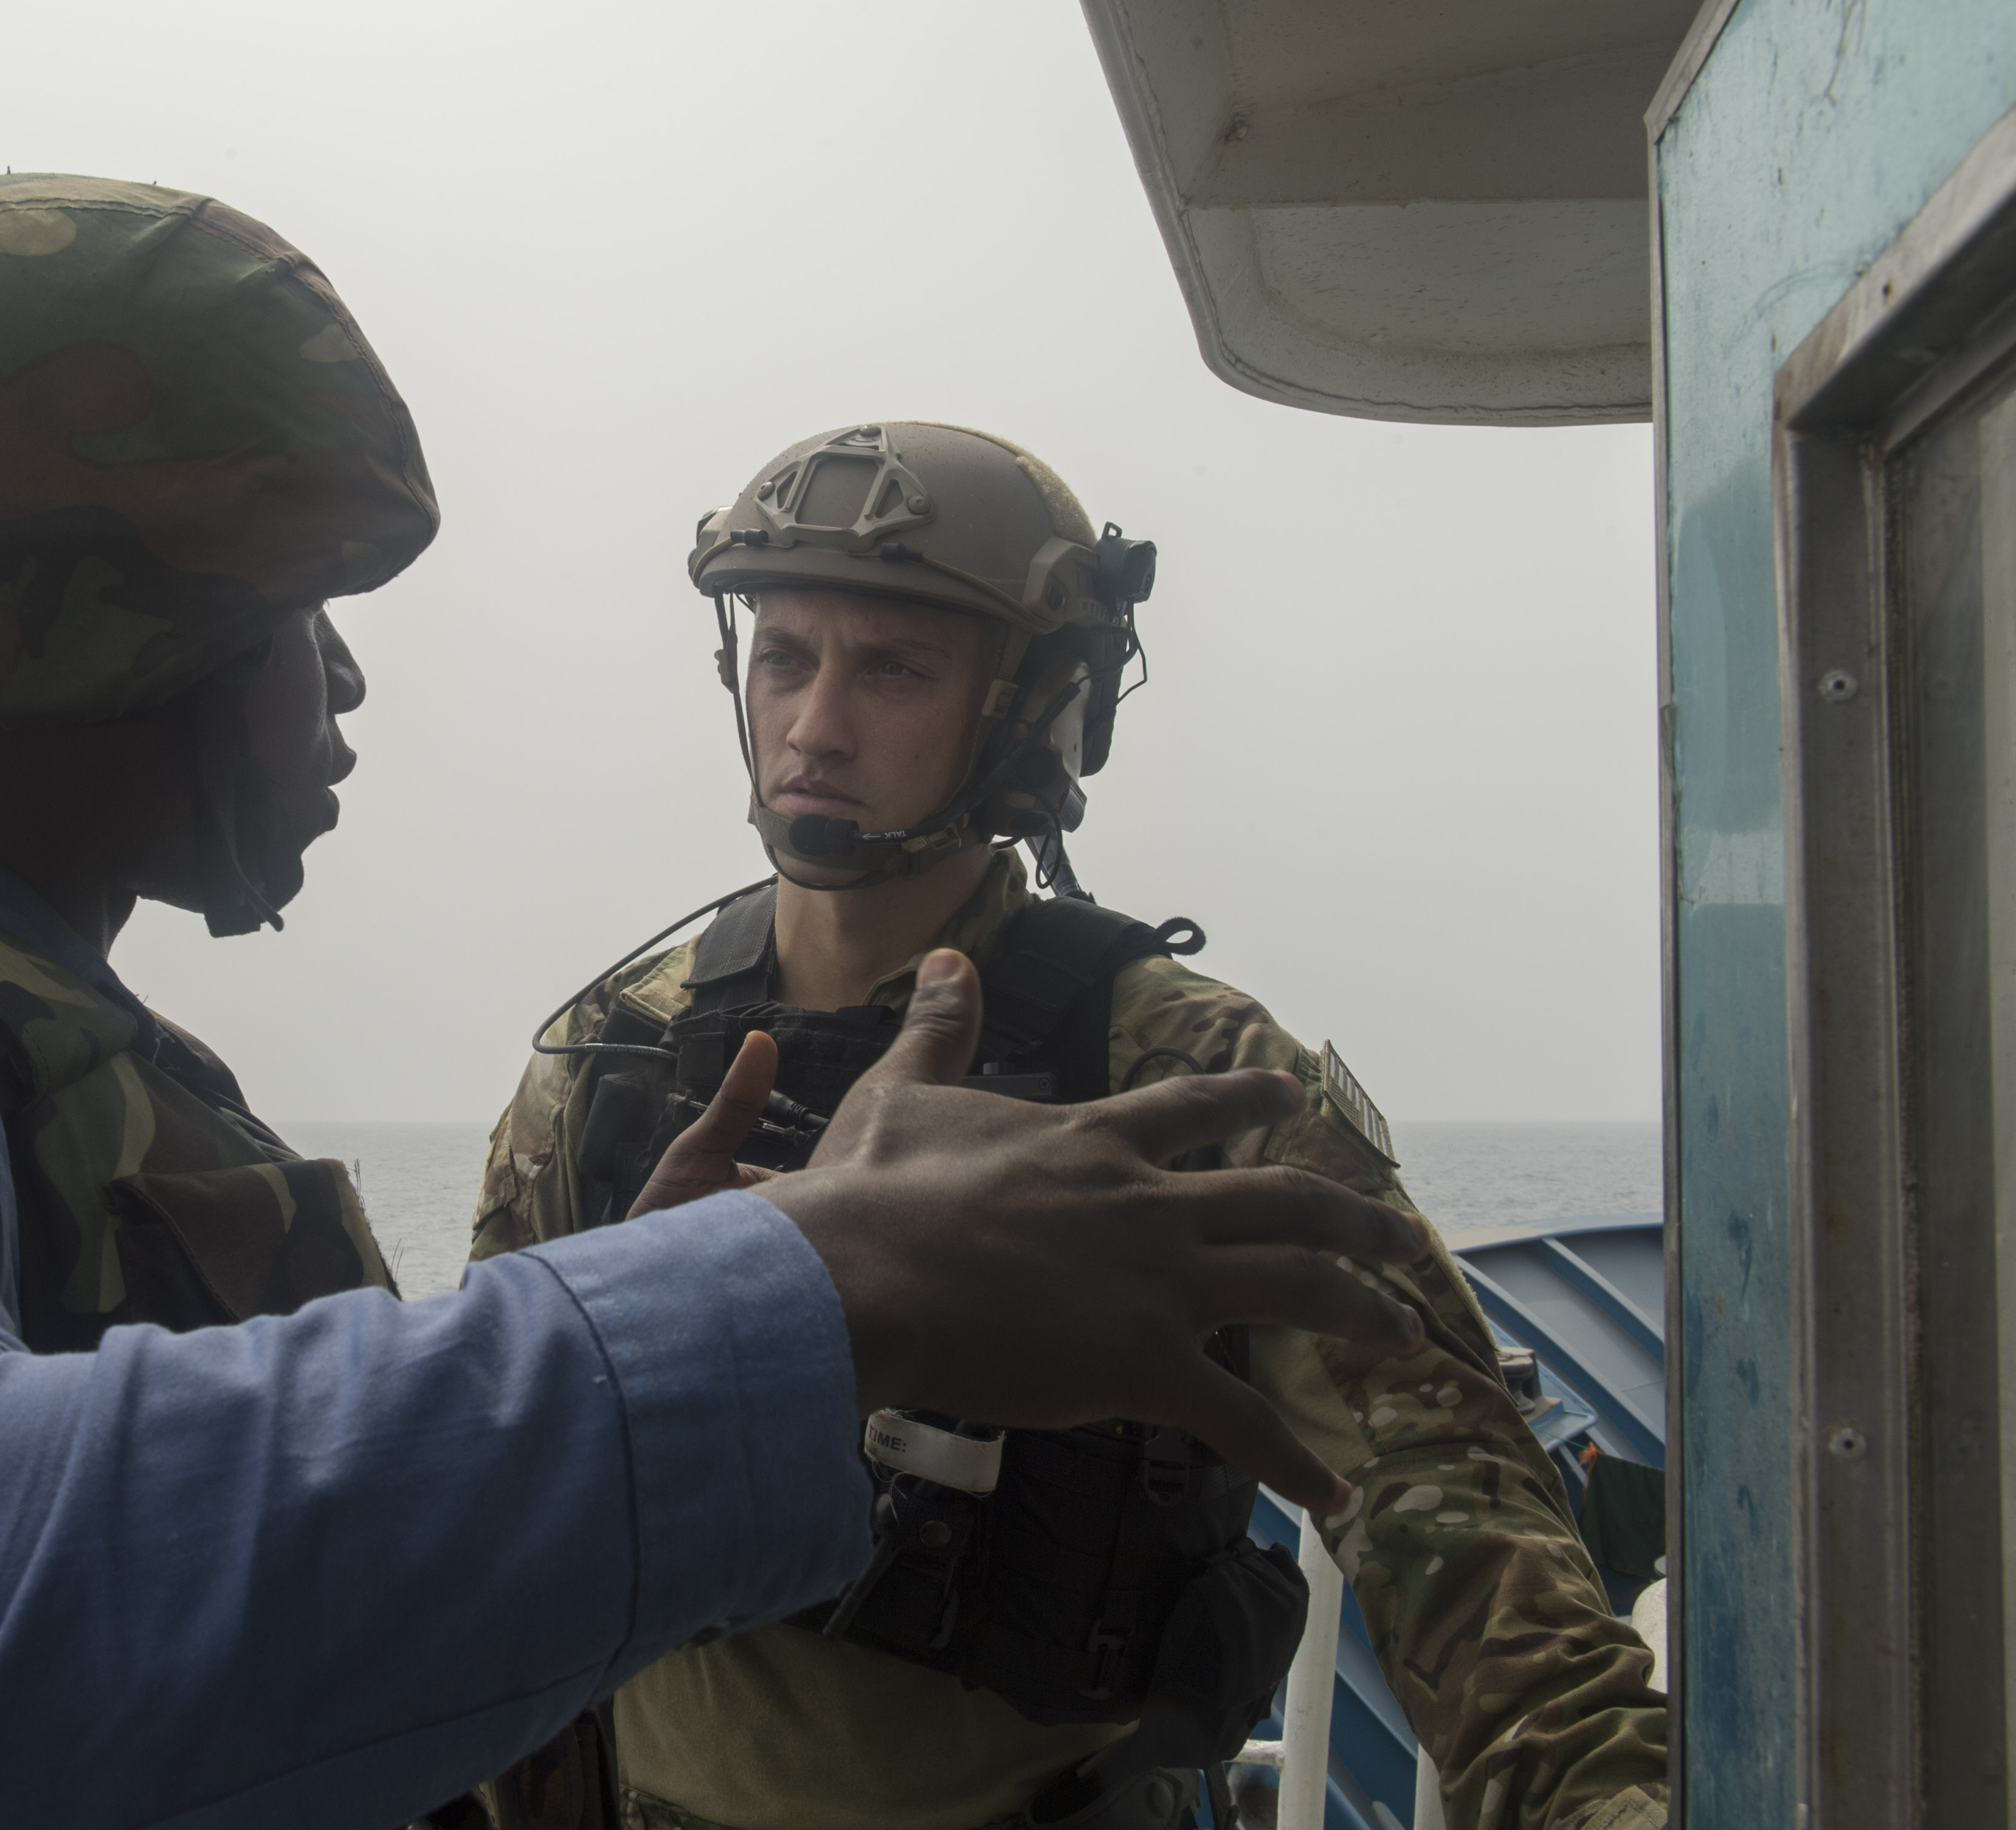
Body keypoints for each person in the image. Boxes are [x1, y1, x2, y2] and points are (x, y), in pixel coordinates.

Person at [0, 184, 1431, 1830]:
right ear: (109, 633)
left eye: (885, 665)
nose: (347, 679)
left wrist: (657, 1305)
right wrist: (805, 1297)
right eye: (298, 613)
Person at [474, 422, 1669, 1830]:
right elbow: (477, 1495)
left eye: (893, 669)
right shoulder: (612, 1059)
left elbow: (1459, 1530)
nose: (813, 726)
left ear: (1037, 708)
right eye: (784, 656)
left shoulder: (1181, 1076)